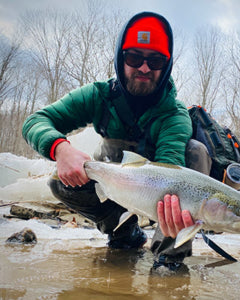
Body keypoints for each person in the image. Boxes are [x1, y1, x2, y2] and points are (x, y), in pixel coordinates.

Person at [22, 11, 212, 271]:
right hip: (113, 180)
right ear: (120, 59)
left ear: (166, 66)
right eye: (134, 57)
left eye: (155, 60)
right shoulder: (98, 95)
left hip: (155, 189)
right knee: (59, 182)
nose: (144, 67)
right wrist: (60, 148)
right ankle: (125, 235)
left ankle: (169, 257)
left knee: (196, 151)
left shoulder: (174, 113)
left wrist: (173, 213)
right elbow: (36, 121)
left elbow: (171, 171)